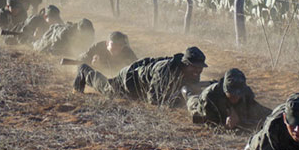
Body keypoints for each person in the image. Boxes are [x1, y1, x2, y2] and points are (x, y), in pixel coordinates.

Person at [73, 46, 207, 106]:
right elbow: (153, 99)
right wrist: (177, 99)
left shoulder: (191, 72)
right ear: (185, 64)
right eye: (194, 66)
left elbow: (189, 87)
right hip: (129, 81)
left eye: (200, 67)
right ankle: (84, 70)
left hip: (141, 83)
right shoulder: (165, 71)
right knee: (107, 89)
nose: (198, 70)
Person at [184, 68, 271, 129]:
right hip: (200, 105)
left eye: (239, 94)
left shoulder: (245, 92)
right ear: (225, 90)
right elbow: (211, 125)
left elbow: (259, 110)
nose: (236, 97)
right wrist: (226, 126)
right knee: (192, 102)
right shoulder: (209, 98)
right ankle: (187, 91)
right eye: (232, 94)